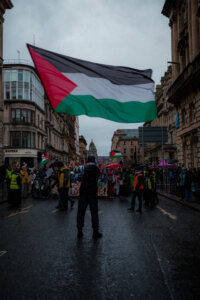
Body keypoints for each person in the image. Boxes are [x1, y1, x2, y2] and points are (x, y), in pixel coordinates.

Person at [77, 155, 102, 239]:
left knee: (81, 212)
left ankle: (79, 231)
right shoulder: (96, 169)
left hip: (84, 192)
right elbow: (98, 176)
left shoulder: (82, 169)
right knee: (94, 213)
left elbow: (79, 177)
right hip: (92, 192)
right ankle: (95, 232)